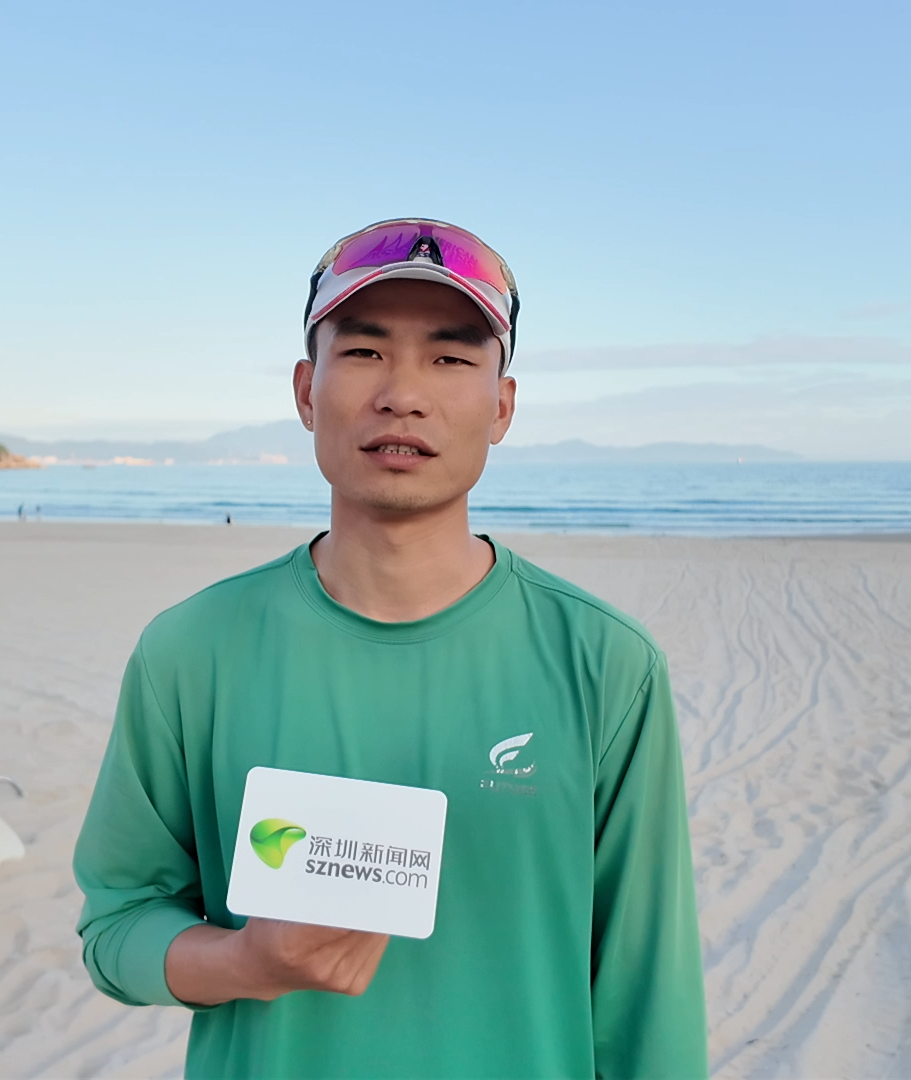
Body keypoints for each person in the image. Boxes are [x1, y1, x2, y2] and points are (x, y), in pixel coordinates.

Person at [74, 219, 709, 1077]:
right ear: (307, 391)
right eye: (366, 351)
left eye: (450, 358)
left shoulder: (606, 663)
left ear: (502, 406)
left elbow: (648, 1001)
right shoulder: (192, 649)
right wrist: (243, 962)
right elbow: (118, 924)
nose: (403, 395)